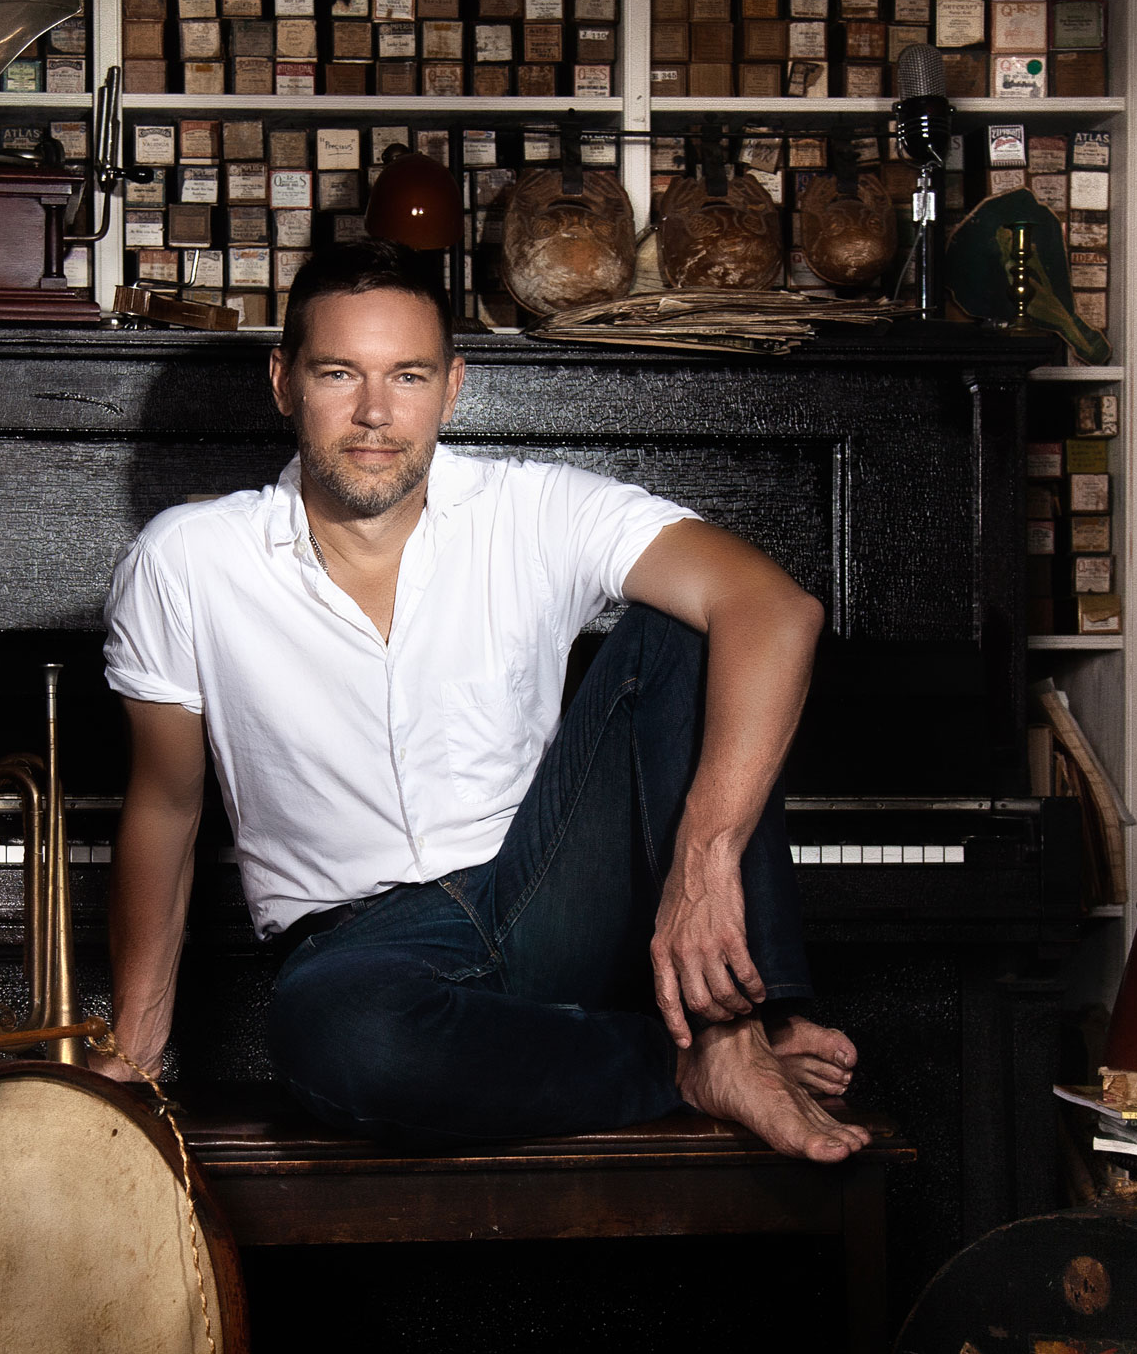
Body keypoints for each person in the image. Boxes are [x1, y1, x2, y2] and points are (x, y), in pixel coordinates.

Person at [91, 239, 865, 1163]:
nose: (376, 413)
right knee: (340, 1036)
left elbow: (777, 611)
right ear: (284, 381)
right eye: (341, 372)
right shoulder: (186, 561)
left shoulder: (536, 510)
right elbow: (168, 806)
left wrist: (705, 859)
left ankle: (746, 1021)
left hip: (544, 893)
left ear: (453, 388)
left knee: (693, 628)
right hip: (364, 950)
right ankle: (693, 1064)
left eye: (408, 376)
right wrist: (134, 1053)